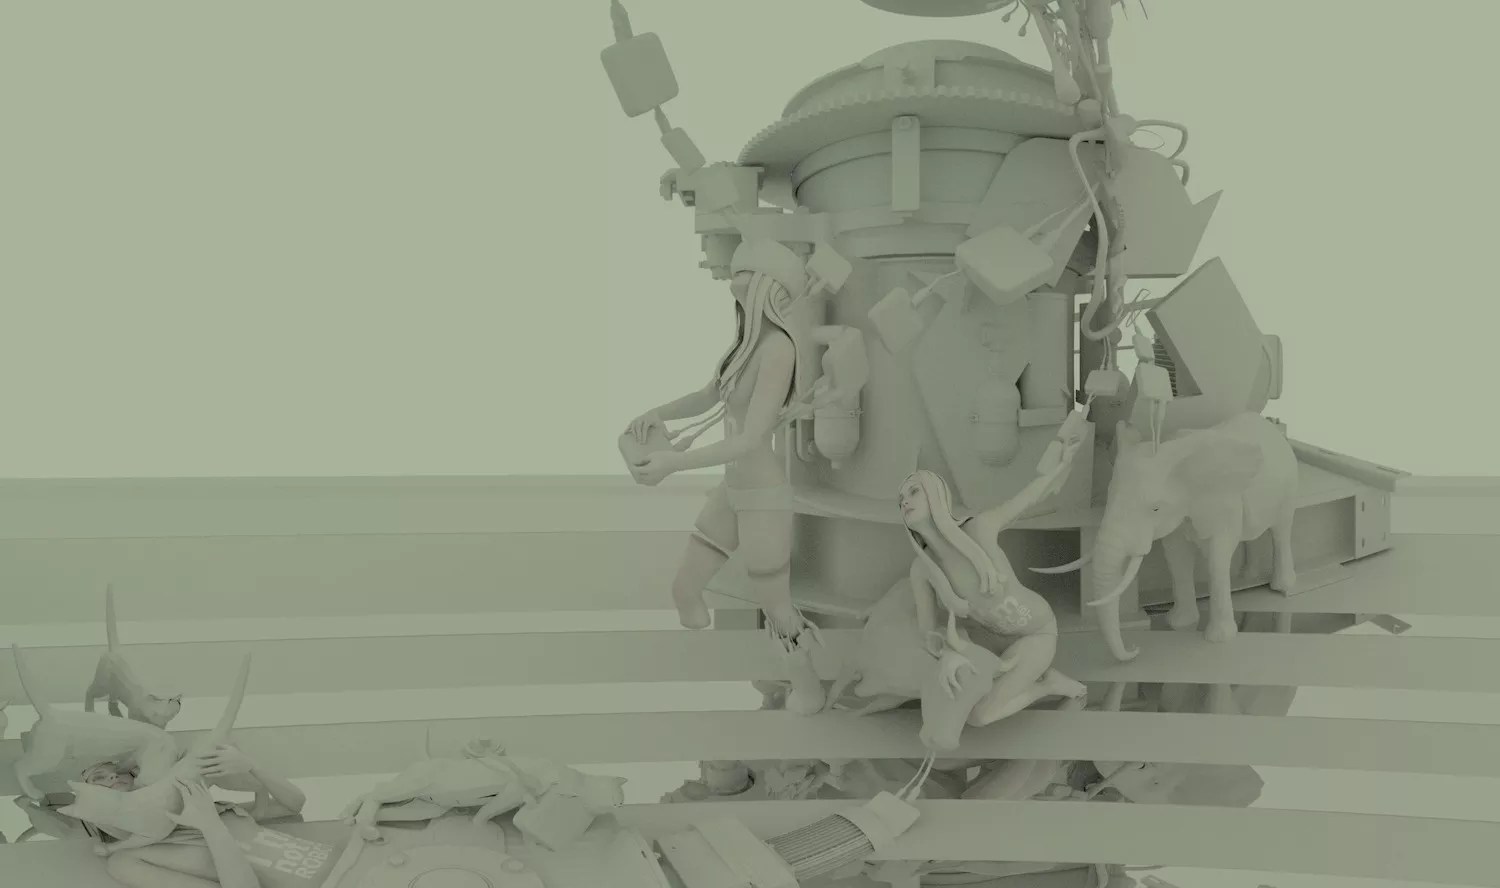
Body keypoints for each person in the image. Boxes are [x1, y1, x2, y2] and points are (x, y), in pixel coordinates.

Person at [624, 237, 824, 714]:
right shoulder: (743, 348)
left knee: (776, 607)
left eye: (747, 274)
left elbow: (750, 439)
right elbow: (707, 396)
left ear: (769, 286)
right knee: (686, 589)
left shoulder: (779, 349)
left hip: (763, 498)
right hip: (733, 491)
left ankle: (808, 685)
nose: (736, 281)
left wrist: (673, 463)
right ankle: (715, 669)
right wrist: (657, 413)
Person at [898, 460, 1089, 728]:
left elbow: (1027, 498)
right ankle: (1030, 676)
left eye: (914, 491)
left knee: (980, 716)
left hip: (1036, 633)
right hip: (991, 640)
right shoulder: (922, 569)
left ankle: (1048, 685)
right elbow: (927, 632)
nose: (905, 501)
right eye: (901, 499)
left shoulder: (979, 528)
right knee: (962, 706)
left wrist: (1061, 463)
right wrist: (947, 655)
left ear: (935, 493)